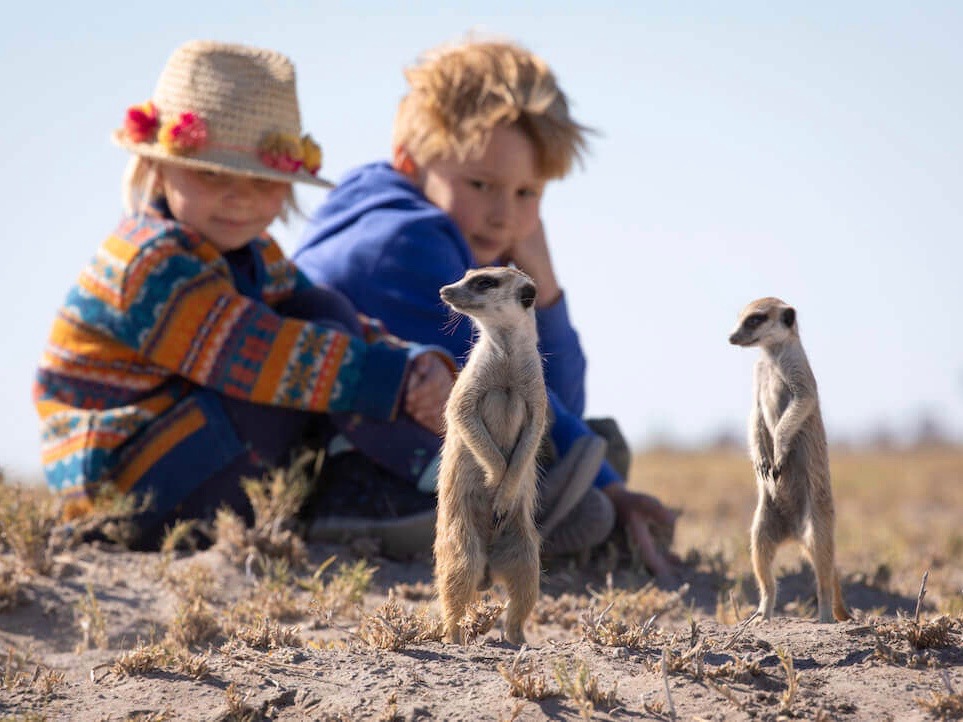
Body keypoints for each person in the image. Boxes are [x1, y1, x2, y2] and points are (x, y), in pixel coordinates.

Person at [33, 40, 456, 552]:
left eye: (262, 181)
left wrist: (415, 365)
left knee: (322, 310)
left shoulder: (254, 251)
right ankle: (397, 483)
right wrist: (395, 380)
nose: (239, 197)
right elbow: (257, 356)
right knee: (297, 364)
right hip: (127, 489)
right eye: (210, 174)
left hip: (189, 458)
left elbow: (333, 321)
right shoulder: (146, 263)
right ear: (157, 168)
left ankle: (370, 487)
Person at [294, 38, 679, 576]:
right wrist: (610, 489)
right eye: (481, 185)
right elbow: (530, 393)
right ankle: (382, 511)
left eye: (529, 195)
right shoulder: (403, 239)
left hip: (385, 436)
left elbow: (556, 394)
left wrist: (543, 283)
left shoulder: (392, 204)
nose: (504, 217)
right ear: (411, 161)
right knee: (583, 460)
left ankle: (546, 508)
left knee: (597, 443)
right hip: (347, 457)